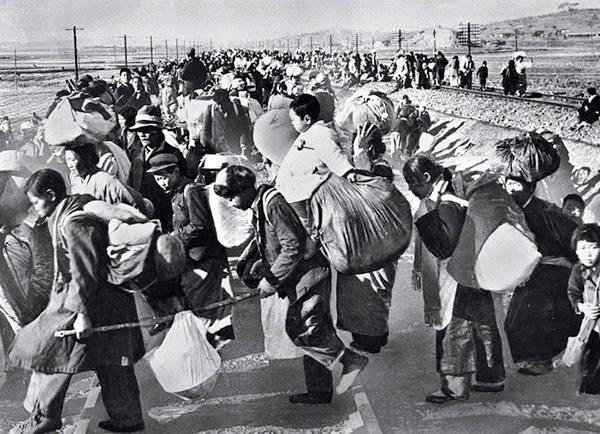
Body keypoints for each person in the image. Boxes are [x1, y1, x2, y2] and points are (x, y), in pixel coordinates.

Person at [214, 165, 368, 404]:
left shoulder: (272, 203)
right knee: (309, 328)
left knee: (307, 329)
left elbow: (293, 245)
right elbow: (269, 241)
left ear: (245, 190)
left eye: (232, 197)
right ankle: (319, 391)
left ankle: (351, 361)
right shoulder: (259, 205)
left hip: (310, 275)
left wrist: (271, 280)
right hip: (299, 277)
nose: (231, 204)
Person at [8, 169, 145, 434]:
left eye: (36, 202)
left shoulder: (74, 223)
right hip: (107, 301)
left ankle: (44, 418)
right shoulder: (78, 207)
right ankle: (127, 419)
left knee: (50, 355)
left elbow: (84, 270)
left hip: (88, 302)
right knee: (112, 361)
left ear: (51, 195)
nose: (36, 209)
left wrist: (82, 314)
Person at [403, 155, 505, 403]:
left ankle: (455, 388)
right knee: (483, 325)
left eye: (413, 184)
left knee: (454, 331)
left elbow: (443, 246)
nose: (410, 189)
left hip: (455, 278)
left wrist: (428, 211)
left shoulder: (446, 205)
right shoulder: (456, 198)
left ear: (427, 178)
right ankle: (491, 378)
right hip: (474, 274)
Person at [147, 153, 235, 348]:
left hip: (205, 258)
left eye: (164, 175)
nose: (161, 181)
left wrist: (173, 237)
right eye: (157, 177)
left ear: (176, 171)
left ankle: (213, 354)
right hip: (193, 259)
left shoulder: (190, 190)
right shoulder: (175, 192)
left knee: (208, 310)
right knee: (201, 309)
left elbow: (199, 224)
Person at [501, 168, 581, 375]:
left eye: (516, 185)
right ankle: (531, 358)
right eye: (508, 185)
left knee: (536, 314)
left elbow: (572, 241)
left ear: (531, 188)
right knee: (515, 318)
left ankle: (542, 360)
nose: (511, 190)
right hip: (534, 269)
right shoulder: (516, 209)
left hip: (555, 271)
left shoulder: (546, 212)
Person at [275, 93, 354, 226]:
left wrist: (347, 172)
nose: (292, 124)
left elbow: (333, 155)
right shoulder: (308, 133)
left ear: (306, 119)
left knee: (308, 225)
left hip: (299, 192)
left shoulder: (320, 133)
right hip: (293, 189)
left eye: (293, 120)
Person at [128, 105, 186, 230]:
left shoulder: (173, 154)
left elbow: (182, 187)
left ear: (158, 131)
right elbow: (131, 181)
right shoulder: (137, 152)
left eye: (147, 130)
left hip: (165, 213)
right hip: (142, 211)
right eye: (139, 130)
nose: (142, 135)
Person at [567, 224, 600, 395]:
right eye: (583, 248)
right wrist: (582, 306)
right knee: (589, 361)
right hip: (592, 327)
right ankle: (589, 395)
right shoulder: (578, 270)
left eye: (593, 248)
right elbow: (573, 292)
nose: (588, 253)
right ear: (576, 250)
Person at [201, 88, 251, 156]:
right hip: (217, 150)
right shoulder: (210, 109)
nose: (221, 107)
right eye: (219, 104)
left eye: (223, 104)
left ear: (228, 101)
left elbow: (244, 129)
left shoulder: (237, 108)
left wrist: (243, 145)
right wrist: (205, 147)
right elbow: (205, 131)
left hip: (234, 149)